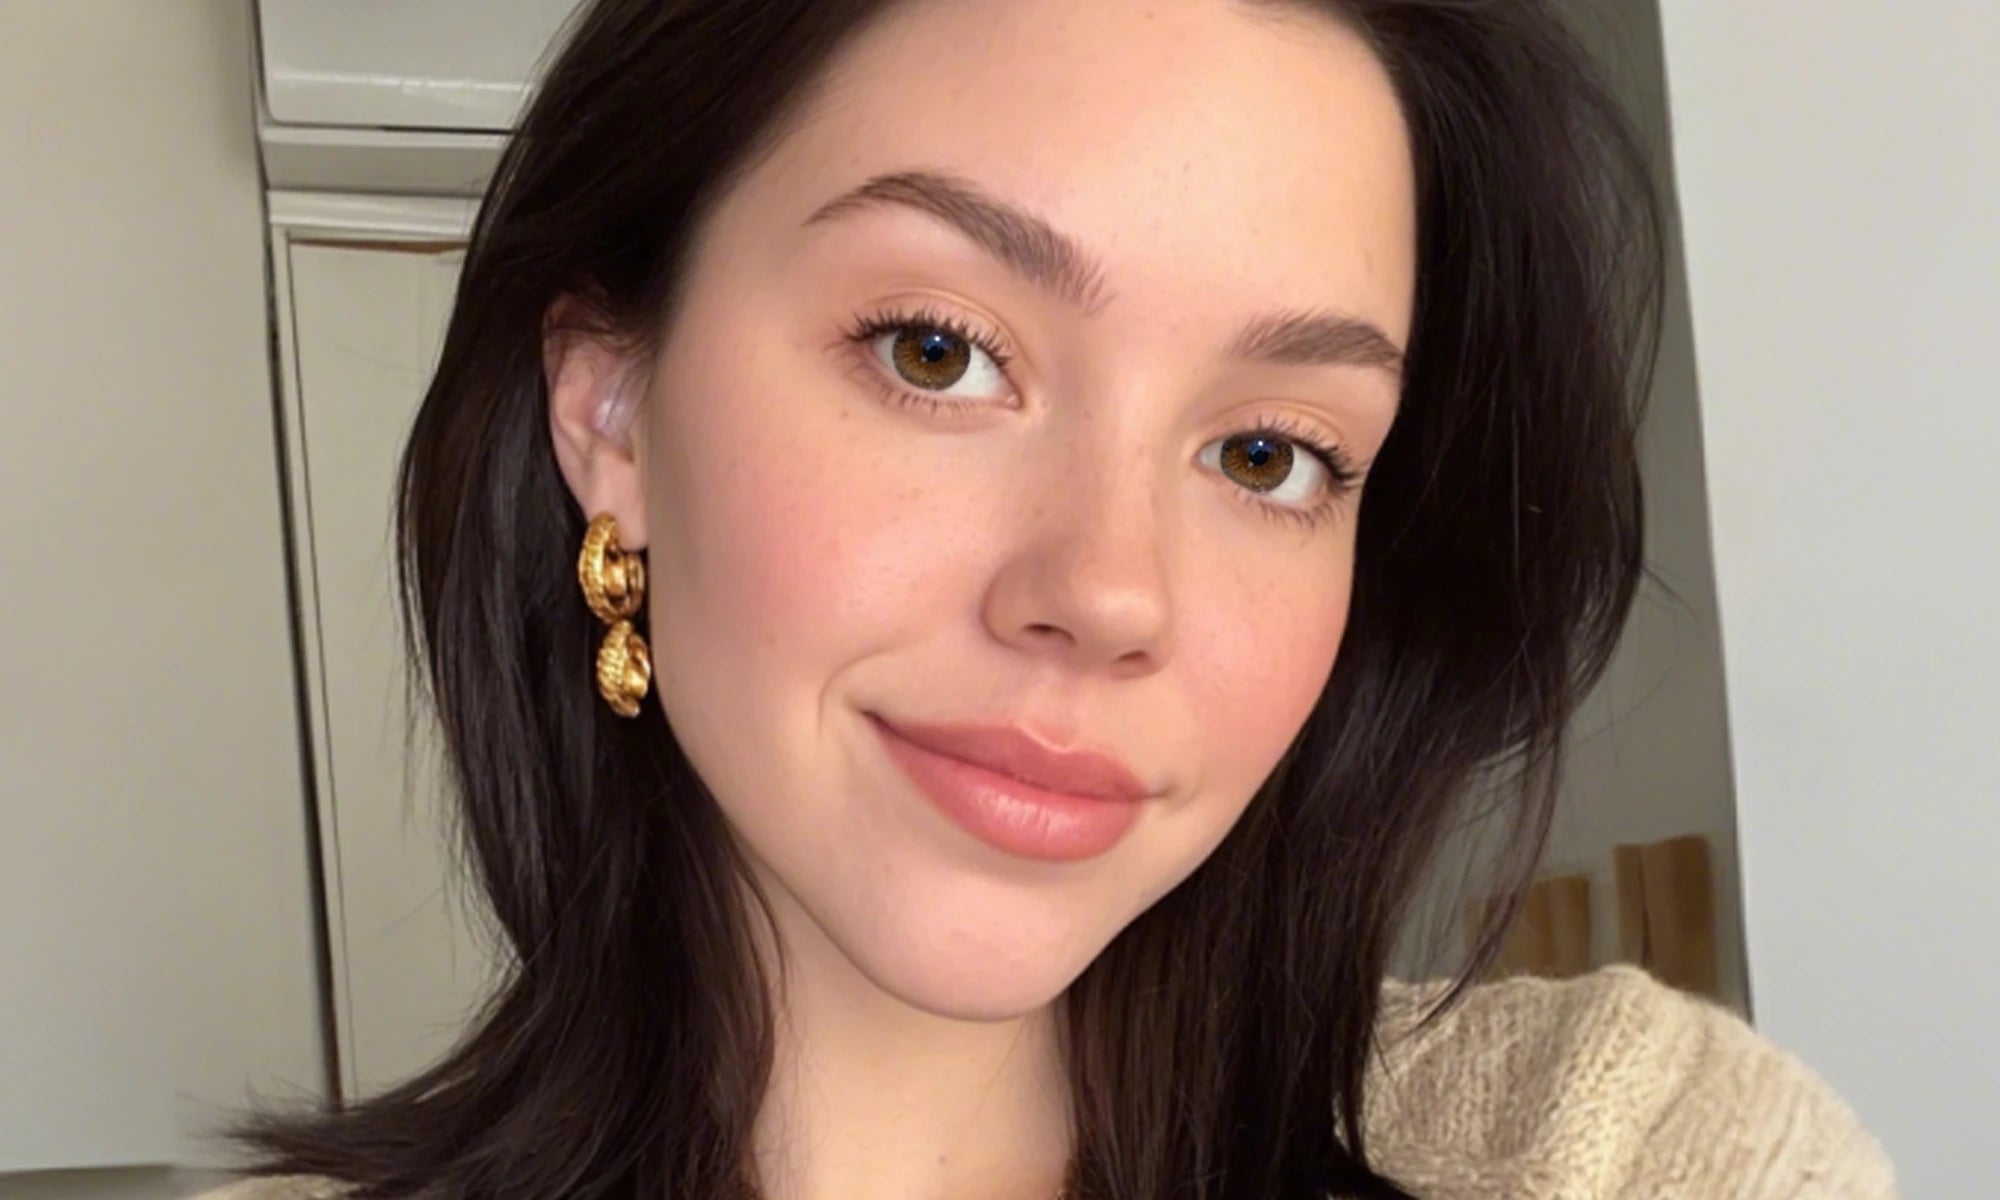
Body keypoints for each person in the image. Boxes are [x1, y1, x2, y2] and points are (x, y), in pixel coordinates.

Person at [200, 0, 1896, 1196]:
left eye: (1268, 454)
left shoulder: (1626, 1154)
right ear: (612, 415)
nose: (1105, 592)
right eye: (939, 353)